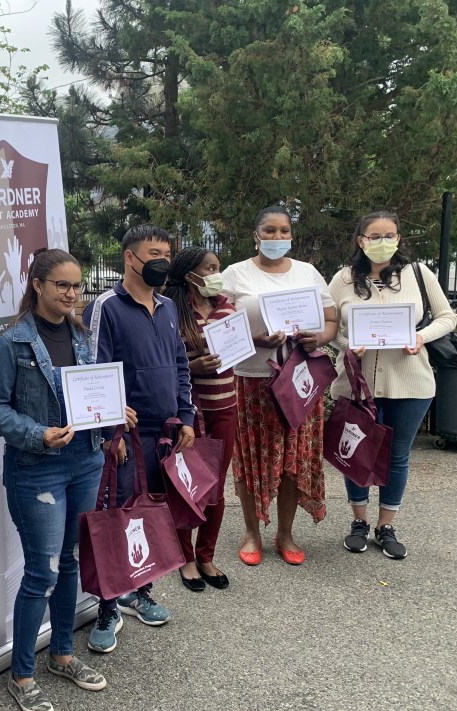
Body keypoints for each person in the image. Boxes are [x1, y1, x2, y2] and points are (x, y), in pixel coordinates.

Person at [0, 248, 128, 711]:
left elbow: (91, 393)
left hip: (85, 461)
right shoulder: (13, 343)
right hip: (37, 469)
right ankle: (22, 675)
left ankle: (62, 654)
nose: (71, 293)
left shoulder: (81, 334)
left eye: (76, 285)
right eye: (62, 285)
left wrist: (114, 412)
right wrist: (36, 434)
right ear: (38, 284)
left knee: (70, 562)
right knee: (41, 572)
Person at [83, 225, 195, 653]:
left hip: (164, 434)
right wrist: (109, 429)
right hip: (125, 438)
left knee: (149, 517)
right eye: (154, 253)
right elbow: (95, 369)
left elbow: (180, 364)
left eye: (167, 253)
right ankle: (107, 608)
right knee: (117, 519)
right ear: (130, 257)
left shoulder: (167, 307)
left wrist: (186, 416)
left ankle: (140, 591)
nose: (162, 261)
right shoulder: (106, 307)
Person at [328, 211, 456, 559]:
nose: (382, 242)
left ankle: (386, 526)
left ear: (399, 238)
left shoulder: (418, 274)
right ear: (361, 240)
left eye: (390, 235)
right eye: (374, 236)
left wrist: (420, 337)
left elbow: (447, 317)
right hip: (358, 385)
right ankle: (359, 521)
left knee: (397, 456)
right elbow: (330, 327)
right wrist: (348, 344)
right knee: (356, 452)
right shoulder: (343, 279)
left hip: (410, 383)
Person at [221, 205, 338, 566]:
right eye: (269, 231)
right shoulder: (235, 274)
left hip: (299, 381)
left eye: (284, 231)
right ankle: (252, 532)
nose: (277, 237)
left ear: (291, 235)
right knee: (250, 457)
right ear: (256, 236)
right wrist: (253, 338)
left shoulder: (307, 272)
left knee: (293, 458)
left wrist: (320, 338)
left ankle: (285, 533)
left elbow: (331, 319)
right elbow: (217, 325)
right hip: (252, 380)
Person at [162, 247, 237, 591]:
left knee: (215, 487)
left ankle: (206, 555)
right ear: (190, 274)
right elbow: (166, 363)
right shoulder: (170, 310)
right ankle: (186, 558)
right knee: (185, 485)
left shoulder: (227, 306)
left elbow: (237, 348)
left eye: (218, 267)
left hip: (225, 407)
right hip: (189, 411)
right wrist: (193, 367)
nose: (216, 273)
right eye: (210, 268)